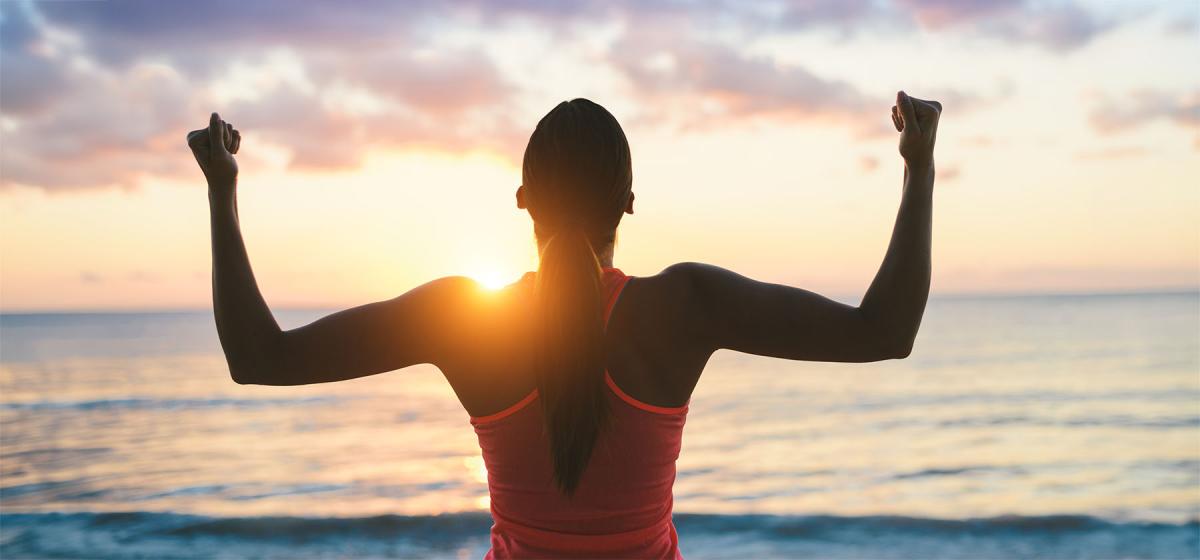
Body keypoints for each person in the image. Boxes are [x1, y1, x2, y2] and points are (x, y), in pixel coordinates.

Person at [187, 92, 940, 559]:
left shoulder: (463, 320)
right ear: (629, 202)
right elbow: (884, 332)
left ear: (522, 199)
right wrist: (919, 166)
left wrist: (223, 191)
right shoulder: (685, 308)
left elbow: (261, 357)